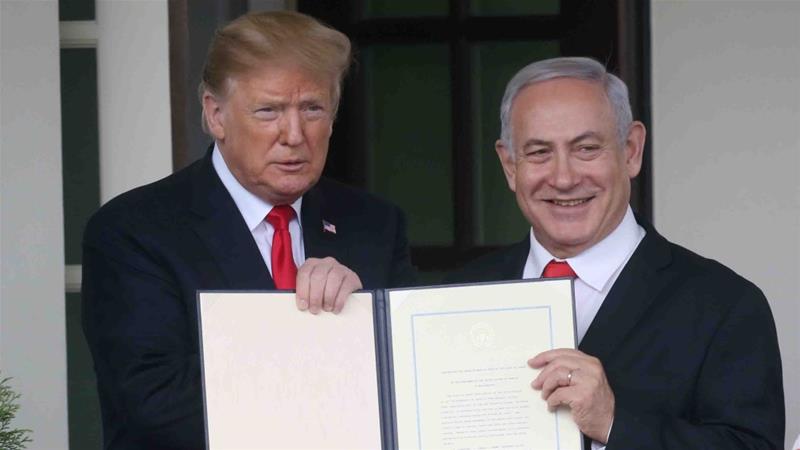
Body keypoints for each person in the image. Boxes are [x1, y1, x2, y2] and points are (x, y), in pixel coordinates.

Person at [82, 11, 416, 450]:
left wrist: (364, 315)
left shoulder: (375, 224)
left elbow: (411, 381)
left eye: (312, 108)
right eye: (268, 111)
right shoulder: (133, 231)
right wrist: (336, 337)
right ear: (215, 115)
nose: (294, 135)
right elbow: (158, 406)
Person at [446, 57, 784, 449]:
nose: (564, 178)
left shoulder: (725, 305)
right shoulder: (459, 294)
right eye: (539, 152)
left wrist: (614, 423)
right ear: (509, 165)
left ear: (631, 151)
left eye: (586, 148)